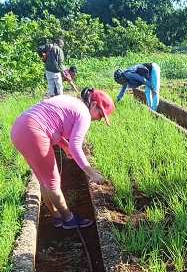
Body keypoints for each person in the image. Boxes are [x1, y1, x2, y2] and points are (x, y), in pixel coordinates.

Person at [11, 88, 115, 229]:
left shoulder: (71, 101)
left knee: (43, 179)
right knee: (53, 181)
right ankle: (68, 219)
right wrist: (91, 173)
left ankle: (56, 216)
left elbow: (53, 125)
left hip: (19, 128)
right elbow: (75, 146)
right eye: (100, 114)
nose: (99, 119)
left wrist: (64, 145)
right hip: (34, 131)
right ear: (94, 104)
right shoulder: (84, 114)